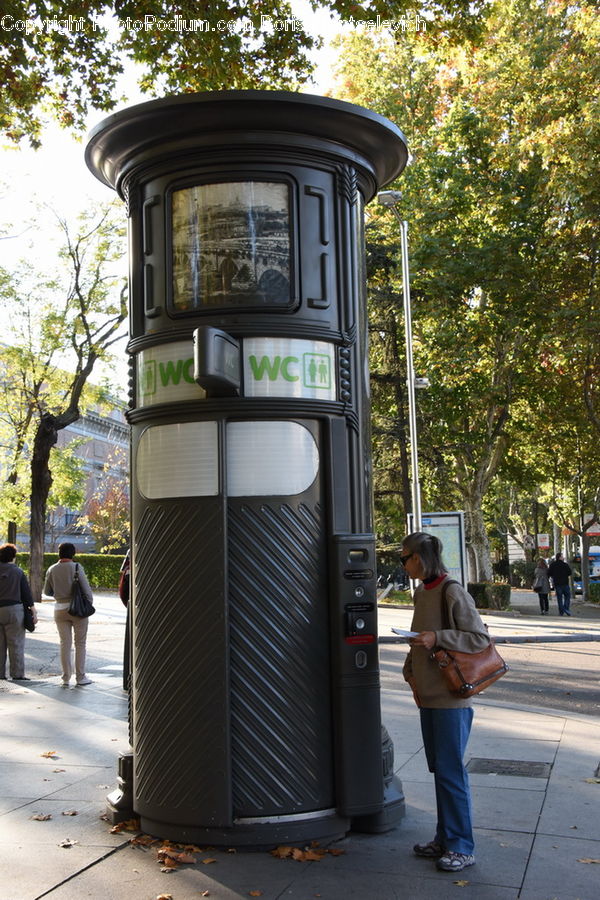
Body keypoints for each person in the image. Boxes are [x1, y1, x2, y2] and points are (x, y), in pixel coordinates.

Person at [401, 531, 490, 873]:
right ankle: (445, 839)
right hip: (428, 696)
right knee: (441, 772)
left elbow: (478, 638)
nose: (403, 563)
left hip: (451, 699)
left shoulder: (451, 591)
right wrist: (410, 672)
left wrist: (437, 637)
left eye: (404, 557)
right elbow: (418, 638)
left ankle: (462, 847)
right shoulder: (422, 592)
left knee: (452, 773)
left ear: (420, 558)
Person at [43, 542, 94, 686]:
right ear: (73, 554)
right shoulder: (77, 567)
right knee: (80, 644)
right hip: (77, 609)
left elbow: (47, 592)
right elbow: (86, 589)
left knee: (64, 643)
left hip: (59, 609)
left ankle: (65, 677)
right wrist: (88, 604)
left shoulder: (52, 569)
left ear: (59, 553)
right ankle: (80, 677)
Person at [0, 543, 36, 681]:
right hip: (14, 610)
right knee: (16, 643)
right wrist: (34, 612)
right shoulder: (18, 571)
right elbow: (26, 594)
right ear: (13, 557)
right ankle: (17, 674)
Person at [548, 552, 572, 616]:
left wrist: (554, 576)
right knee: (567, 596)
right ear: (560, 557)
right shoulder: (565, 565)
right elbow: (570, 573)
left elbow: (549, 573)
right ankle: (566, 608)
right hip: (565, 583)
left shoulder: (553, 565)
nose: (563, 557)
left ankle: (561, 611)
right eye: (562, 556)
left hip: (557, 584)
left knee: (559, 598)